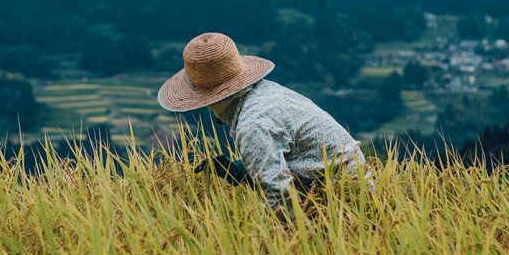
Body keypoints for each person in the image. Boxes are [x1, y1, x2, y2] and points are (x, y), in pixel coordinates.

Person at [157, 32, 372, 214]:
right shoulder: (265, 90)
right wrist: (237, 169)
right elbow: (290, 154)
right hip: (353, 186)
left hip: (346, 204)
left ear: (211, 99)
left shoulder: (252, 124)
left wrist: (259, 243)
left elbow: (280, 196)